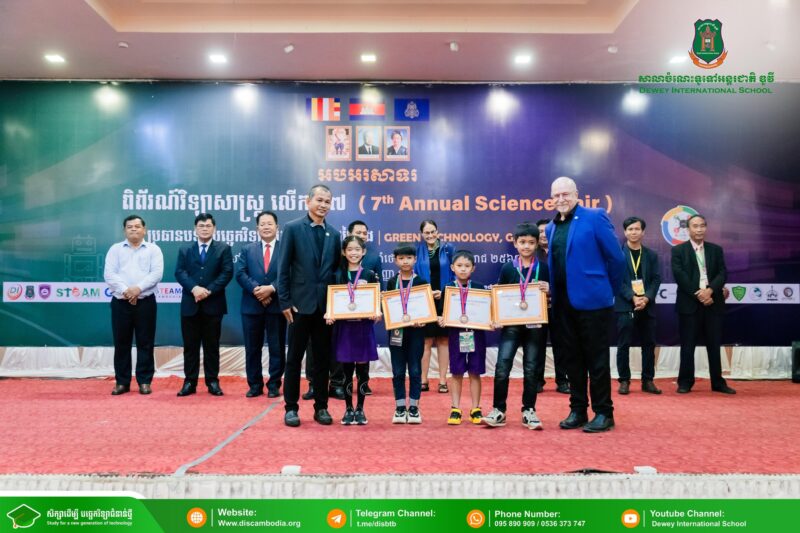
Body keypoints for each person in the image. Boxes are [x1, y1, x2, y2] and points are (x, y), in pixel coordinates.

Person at [546, 177, 625, 433]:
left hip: (594, 303)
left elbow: (617, 259)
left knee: (597, 360)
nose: (561, 199)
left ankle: (604, 412)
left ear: (576, 194)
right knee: (573, 360)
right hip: (563, 305)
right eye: (556, 195)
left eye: (565, 194)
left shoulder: (595, 216)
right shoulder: (550, 227)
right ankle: (578, 410)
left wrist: (607, 291)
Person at [278, 184, 342, 426]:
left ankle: (321, 407)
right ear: (308, 201)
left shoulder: (334, 234)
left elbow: (336, 273)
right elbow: (283, 268)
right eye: (319, 200)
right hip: (298, 306)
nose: (323, 205)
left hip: (324, 309)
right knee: (294, 359)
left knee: (323, 360)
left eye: (327, 201)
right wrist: (285, 301)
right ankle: (291, 408)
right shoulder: (292, 228)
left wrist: (335, 306)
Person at [482, 223, 550, 430]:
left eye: (531, 242)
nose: (526, 246)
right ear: (515, 243)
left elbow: (550, 298)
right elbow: (501, 295)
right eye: (522, 242)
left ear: (537, 244)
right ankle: (498, 410)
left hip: (535, 325)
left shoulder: (543, 267)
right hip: (511, 325)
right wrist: (496, 314)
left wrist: (549, 290)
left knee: (531, 368)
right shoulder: (508, 268)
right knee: (502, 366)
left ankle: (529, 410)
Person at [671, 214, 736, 395]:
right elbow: (680, 275)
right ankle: (685, 382)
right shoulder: (678, 251)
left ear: (706, 228)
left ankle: (718, 383)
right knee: (687, 345)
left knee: (714, 345)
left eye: (702, 226)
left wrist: (710, 291)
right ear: (688, 229)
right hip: (689, 304)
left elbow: (722, 273)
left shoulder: (716, 249)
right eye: (695, 226)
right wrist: (700, 294)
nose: (699, 229)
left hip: (713, 303)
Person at [103, 214, 164, 396]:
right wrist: (127, 291)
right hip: (121, 303)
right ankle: (122, 382)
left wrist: (138, 289)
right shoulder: (115, 249)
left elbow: (156, 274)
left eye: (137, 226)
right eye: (130, 227)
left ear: (144, 230)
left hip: (145, 302)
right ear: (124, 230)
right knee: (122, 343)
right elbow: (109, 274)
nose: (134, 229)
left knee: (146, 342)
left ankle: (144, 381)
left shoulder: (153, 249)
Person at [175, 213, 234, 397]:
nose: (205, 229)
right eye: (201, 226)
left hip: (213, 304)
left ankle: (212, 381)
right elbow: (180, 272)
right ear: (195, 229)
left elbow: (227, 273)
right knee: (190, 346)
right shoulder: (185, 249)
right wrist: (194, 289)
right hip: (190, 304)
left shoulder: (223, 249)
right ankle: (189, 382)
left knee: (212, 346)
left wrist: (208, 290)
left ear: (214, 228)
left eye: (208, 226)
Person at [326, 236, 381, 425]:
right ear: (343, 252)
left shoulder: (370, 274)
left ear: (363, 251)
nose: (353, 253)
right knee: (347, 370)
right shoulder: (337, 275)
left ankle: (361, 409)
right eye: (349, 249)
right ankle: (348, 408)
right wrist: (330, 313)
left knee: (363, 371)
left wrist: (377, 312)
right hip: (345, 328)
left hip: (363, 328)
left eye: (357, 249)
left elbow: (376, 300)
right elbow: (331, 299)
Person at [235, 211, 287, 398]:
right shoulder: (247, 249)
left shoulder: (285, 249)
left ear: (277, 227)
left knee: (277, 348)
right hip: (252, 306)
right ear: (257, 228)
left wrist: (271, 288)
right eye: (262, 224)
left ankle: (274, 384)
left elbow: (289, 273)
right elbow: (240, 273)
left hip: (277, 306)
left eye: (269, 223)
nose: (266, 227)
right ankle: (255, 384)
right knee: (252, 348)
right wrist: (258, 290)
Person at [439, 250, 487, 425]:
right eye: (459, 265)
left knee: (475, 372)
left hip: (476, 334)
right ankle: (455, 409)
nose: (463, 269)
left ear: (473, 268)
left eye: (467, 266)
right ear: (452, 267)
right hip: (456, 334)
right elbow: (442, 313)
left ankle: (475, 408)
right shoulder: (448, 288)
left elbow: (486, 311)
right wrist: (442, 319)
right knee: (457, 372)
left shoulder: (480, 288)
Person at [615, 216, 662, 395]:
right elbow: (616, 280)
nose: (633, 232)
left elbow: (656, 279)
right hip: (625, 305)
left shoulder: (651, 255)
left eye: (637, 229)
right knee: (623, 344)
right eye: (630, 229)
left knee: (649, 344)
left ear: (643, 232)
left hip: (647, 306)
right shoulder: (617, 255)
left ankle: (648, 380)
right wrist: (633, 297)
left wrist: (647, 298)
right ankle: (624, 380)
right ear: (625, 232)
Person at [387, 243, 428, 424]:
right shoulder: (392, 282)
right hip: (396, 332)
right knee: (397, 371)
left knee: (415, 369)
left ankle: (413, 408)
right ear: (395, 260)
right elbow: (388, 305)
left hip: (416, 333)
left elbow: (426, 308)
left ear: (415, 260)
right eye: (401, 258)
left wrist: (423, 319)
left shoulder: (421, 282)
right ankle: (399, 407)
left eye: (409, 258)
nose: (405, 261)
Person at [414, 220, 454, 394]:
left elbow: (455, 273)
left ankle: (443, 380)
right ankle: (423, 379)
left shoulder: (449, 249)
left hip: (445, 299)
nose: (430, 235)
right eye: (426, 233)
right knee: (426, 341)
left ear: (437, 232)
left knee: (444, 340)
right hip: (425, 300)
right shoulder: (417, 251)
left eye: (433, 232)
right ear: (422, 234)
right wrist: (427, 292)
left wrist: (444, 292)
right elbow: (414, 275)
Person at [533, 217, 570, 395]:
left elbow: (570, 279)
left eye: (546, 231)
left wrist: (552, 290)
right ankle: (537, 380)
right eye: (540, 231)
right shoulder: (531, 255)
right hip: (536, 308)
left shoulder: (563, 252)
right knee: (537, 344)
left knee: (561, 345)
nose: (543, 234)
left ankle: (562, 380)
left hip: (560, 306)